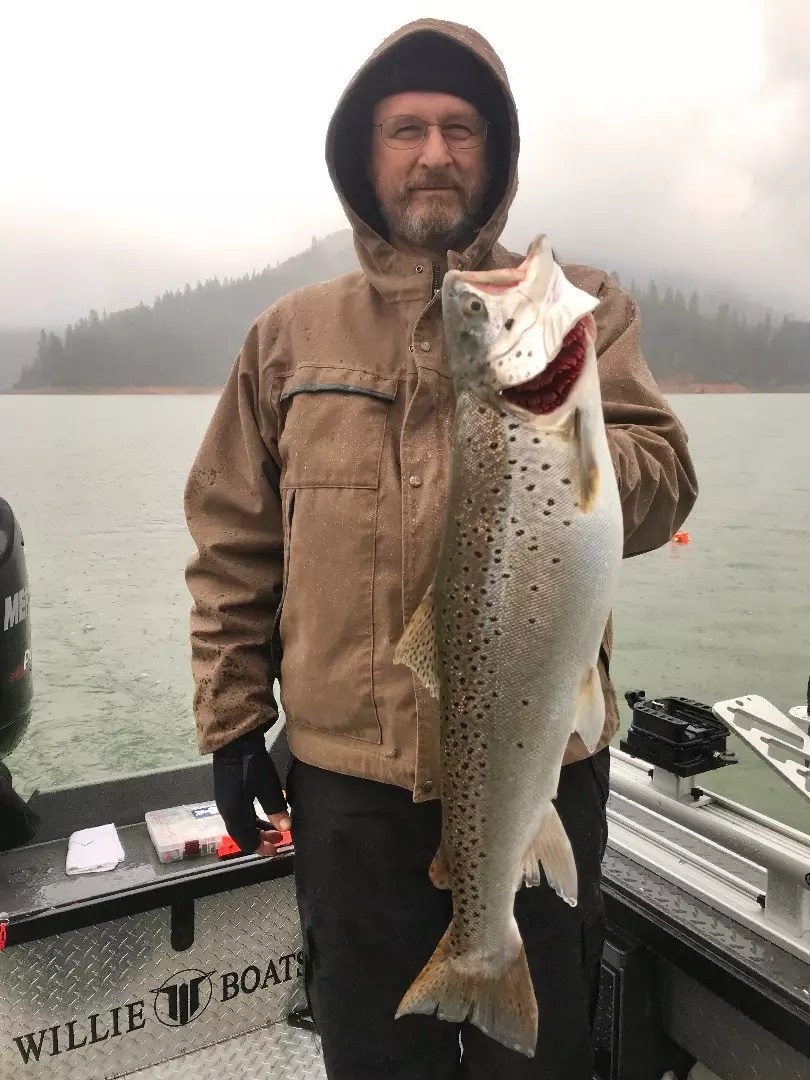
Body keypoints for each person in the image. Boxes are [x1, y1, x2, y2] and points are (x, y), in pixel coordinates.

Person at [184, 18, 698, 1080]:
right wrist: (233, 720)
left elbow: (665, 483)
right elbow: (233, 539)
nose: (432, 153)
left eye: (461, 129)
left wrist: (574, 446)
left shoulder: (581, 318)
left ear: (498, 155)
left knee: (541, 1062)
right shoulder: (288, 339)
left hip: (542, 766)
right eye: (406, 129)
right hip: (350, 792)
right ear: (364, 157)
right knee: (375, 1062)